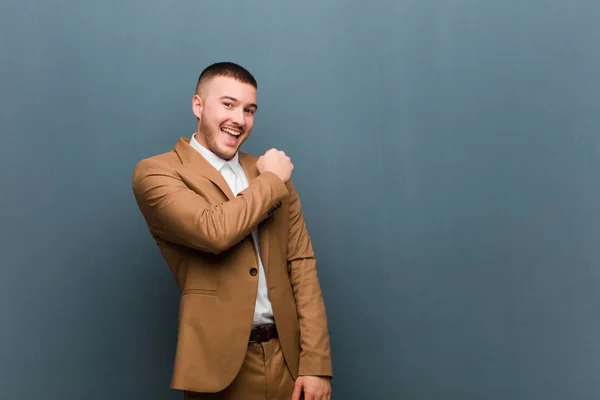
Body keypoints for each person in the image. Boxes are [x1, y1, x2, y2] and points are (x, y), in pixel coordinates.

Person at [132, 62, 333, 400]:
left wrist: (316, 363)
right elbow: (214, 231)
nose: (240, 120)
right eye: (228, 104)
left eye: (249, 109)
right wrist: (271, 180)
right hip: (219, 369)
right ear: (198, 105)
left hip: (290, 363)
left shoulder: (268, 173)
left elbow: (302, 265)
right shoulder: (157, 172)